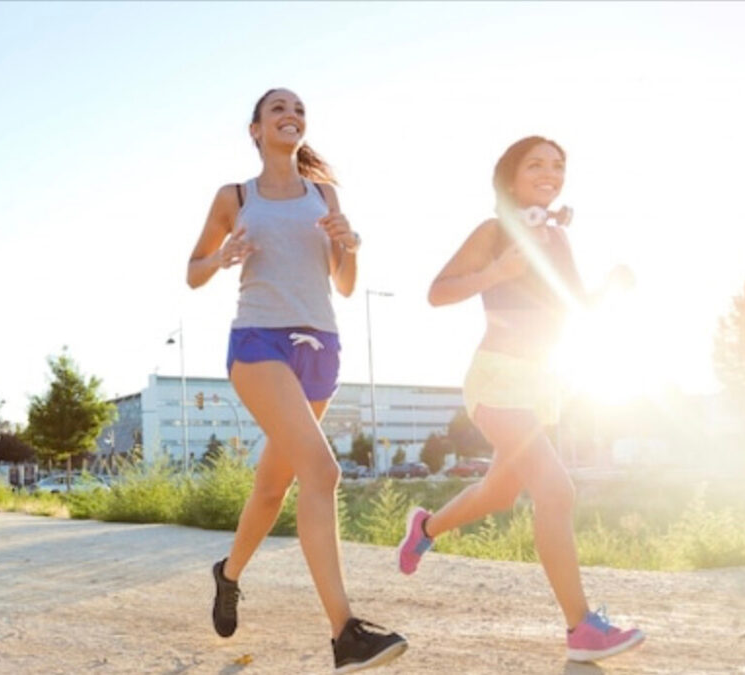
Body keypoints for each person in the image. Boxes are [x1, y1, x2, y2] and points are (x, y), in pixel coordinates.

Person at [187, 88, 408, 673]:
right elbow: (192, 272)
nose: (291, 116)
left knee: (271, 487)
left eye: (299, 111)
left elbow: (344, 283)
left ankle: (228, 574)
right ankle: (346, 633)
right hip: (260, 341)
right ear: (256, 129)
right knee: (323, 470)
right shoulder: (234, 196)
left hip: (321, 347)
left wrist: (349, 244)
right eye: (278, 109)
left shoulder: (324, 194)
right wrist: (222, 257)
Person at [401, 135, 643, 662]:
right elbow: (438, 291)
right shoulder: (494, 231)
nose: (550, 171)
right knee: (556, 491)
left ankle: (425, 526)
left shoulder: (557, 239)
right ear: (510, 177)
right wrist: (498, 271)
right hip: (497, 378)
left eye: (558, 165)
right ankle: (582, 630)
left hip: (540, 385)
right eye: (536, 163)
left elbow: (575, 306)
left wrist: (611, 287)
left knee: (500, 492)